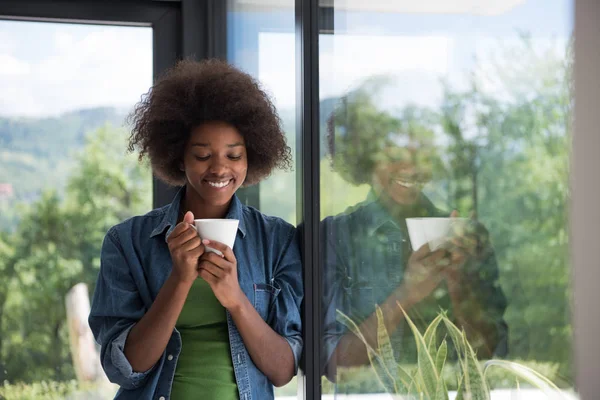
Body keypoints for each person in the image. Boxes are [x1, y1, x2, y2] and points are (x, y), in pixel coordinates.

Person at [88, 59, 303, 400]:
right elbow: (124, 369)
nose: (220, 167)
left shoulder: (277, 240)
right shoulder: (127, 242)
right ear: (179, 157)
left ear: (251, 158)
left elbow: (282, 371)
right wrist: (180, 278)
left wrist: (235, 300)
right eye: (202, 155)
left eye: (234, 155)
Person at [321, 81, 508, 383]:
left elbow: (492, 356)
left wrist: (459, 284)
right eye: (394, 151)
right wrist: (406, 295)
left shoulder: (469, 236)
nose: (410, 166)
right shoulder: (332, 237)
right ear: (365, 157)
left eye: (421, 151)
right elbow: (333, 366)